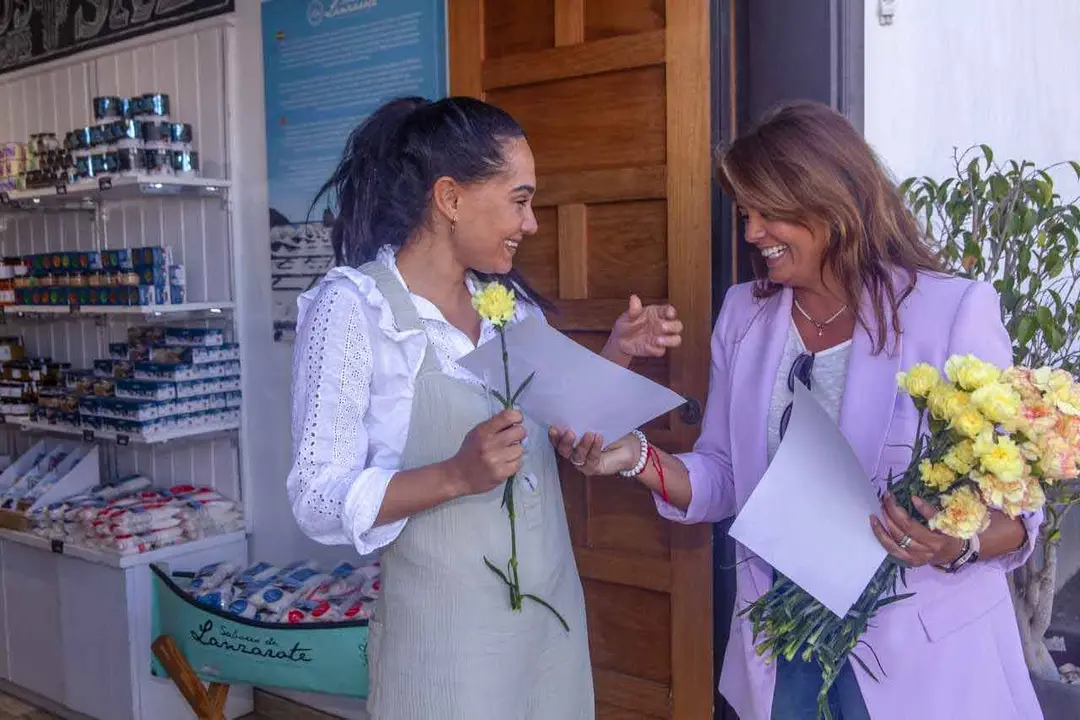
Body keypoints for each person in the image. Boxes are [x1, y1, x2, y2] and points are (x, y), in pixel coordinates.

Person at [551, 101, 1043, 720]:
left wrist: (952, 546)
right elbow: (726, 477)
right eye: (746, 213)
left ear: (832, 202)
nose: (753, 232)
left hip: (926, 662)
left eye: (768, 212)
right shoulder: (743, 314)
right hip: (783, 648)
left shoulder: (951, 311)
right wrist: (638, 458)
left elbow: (1022, 515)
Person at [286, 96, 683, 720]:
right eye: (519, 200)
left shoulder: (509, 307)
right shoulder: (357, 310)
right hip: (447, 641)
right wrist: (455, 475)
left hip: (547, 617)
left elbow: (563, 425)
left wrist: (618, 353)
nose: (530, 224)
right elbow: (316, 496)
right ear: (450, 199)